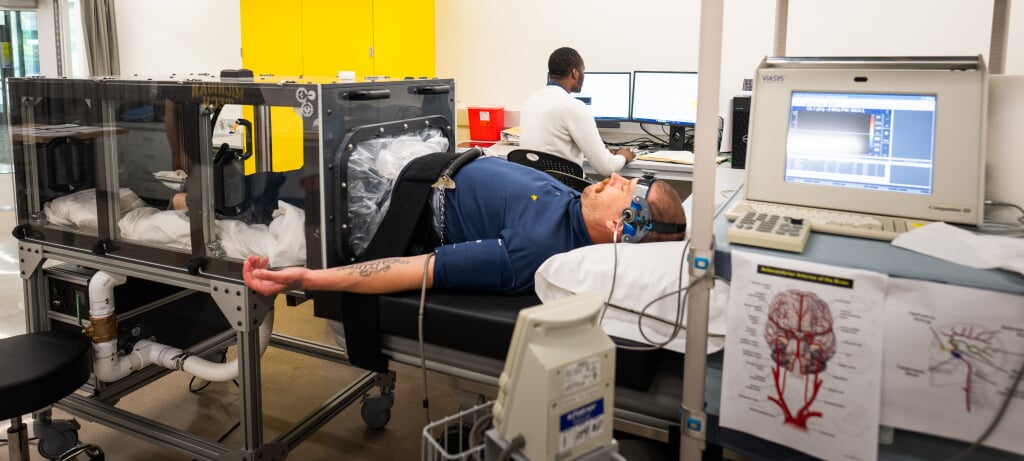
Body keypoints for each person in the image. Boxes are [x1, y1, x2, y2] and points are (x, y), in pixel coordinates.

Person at [243, 156, 686, 297]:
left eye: (619, 187)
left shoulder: (534, 251)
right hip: (414, 161)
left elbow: (418, 268)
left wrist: (310, 278)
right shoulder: (577, 206)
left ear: (619, 224)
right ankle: (198, 192)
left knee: (271, 187)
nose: (609, 178)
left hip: (389, 198)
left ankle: (196, 198)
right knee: (273, 178)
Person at [519, 47, 635, 176]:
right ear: (575, 73)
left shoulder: (531, 101)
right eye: (583, 70)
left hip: (534, 188)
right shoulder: (573, 107)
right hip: (564, 190)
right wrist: (623, 156)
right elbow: (606, 167)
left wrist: (603, 153)